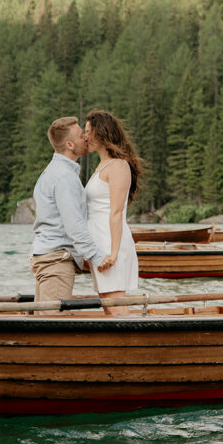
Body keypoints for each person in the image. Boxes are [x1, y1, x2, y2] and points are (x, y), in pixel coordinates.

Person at [30, 116, 113, 301]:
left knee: (44, 316)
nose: (86, 138)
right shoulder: (64, 177)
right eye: (81, 135)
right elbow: (74, 225)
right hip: (56, 261)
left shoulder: (54, 171)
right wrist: (98, 257)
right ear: (69, 145)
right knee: (52, 318)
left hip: (47, 257)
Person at [84, 109, 143, 315]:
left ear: (101, 133)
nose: (85, 137)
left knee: (116, 305)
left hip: (111, 243)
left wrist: (113, 253)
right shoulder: (102, 166)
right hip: (99, 243)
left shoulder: (118, 165)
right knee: (107, 305)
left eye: (88, 131)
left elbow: (116, 212)